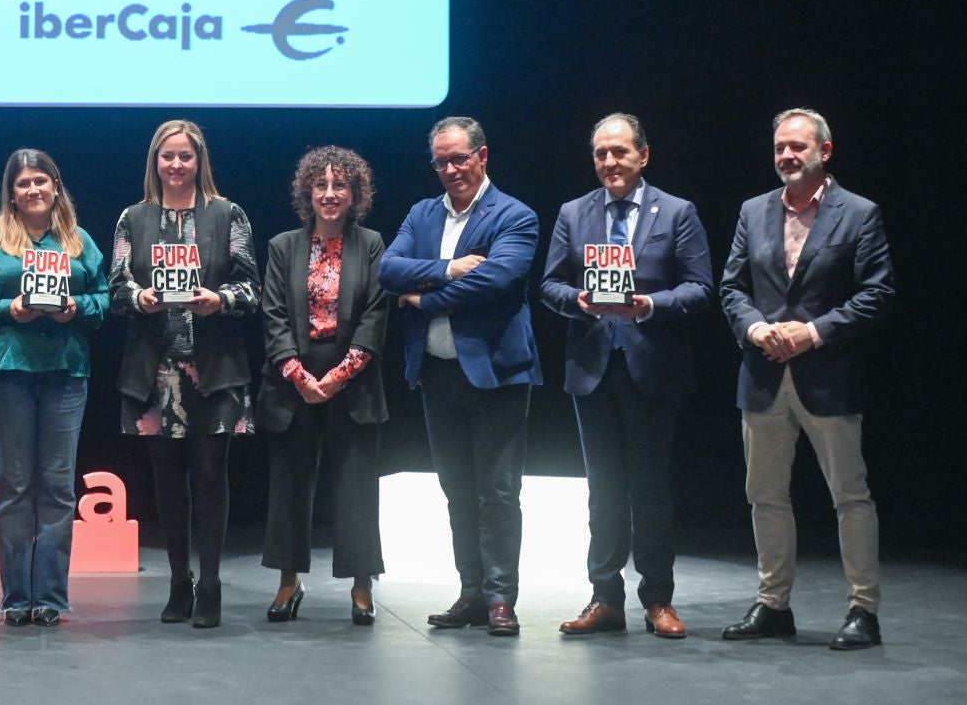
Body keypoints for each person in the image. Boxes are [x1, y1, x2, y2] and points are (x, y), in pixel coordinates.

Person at [719, 109, 893, 651]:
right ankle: (773, 604)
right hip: (764, 374)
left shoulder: (860, 213)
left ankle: (863, 610)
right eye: (780, 148)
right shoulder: (753, 210)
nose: (787, 156)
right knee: (765, 495)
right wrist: (753, 329)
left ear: (825, 151)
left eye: (798, 146)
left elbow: (878, 293)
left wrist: (813, 332)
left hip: (828, 376)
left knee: (850, 496)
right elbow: (732, 287)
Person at [538, 114, 712, 639]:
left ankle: (658, 599)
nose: (610, 163)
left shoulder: (678, 212)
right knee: (602, 491)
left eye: (620, 152)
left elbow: (701, 287)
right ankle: (605, 598)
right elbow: (549, 286)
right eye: (601, 154)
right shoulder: (573, 213)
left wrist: (649, 305)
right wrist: (580, 301)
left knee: (650, 490)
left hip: (652, 371)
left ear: (643, 156)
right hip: (592, 370)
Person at [378, 115, 541, 637]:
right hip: (437, 375)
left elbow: (496, 279)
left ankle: (500, 598)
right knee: (455, 490)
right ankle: (471, 593)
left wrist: (423, 298)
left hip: (496, 376)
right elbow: (387, 269)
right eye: (441, 161)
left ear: (482, 156)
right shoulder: (422, 213)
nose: (450, 169)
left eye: (459, 158)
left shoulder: (515, 215)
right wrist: (448, 268)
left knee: (498, 491)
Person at [109, 119, 259, 629]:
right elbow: (116, 289)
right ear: (155, 162)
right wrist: (139, 298)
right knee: (167, 483)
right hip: (154, 374)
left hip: (214, 371)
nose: (176, 165)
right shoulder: (133, 218)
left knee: (212, 477)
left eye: (185, 156)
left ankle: (211, 584)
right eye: (167, 156)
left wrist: (221, 300)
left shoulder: (227, 214)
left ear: (200, 161)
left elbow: (252, 288)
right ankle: (178, 582)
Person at [0, 149, 110, 626]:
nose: (33, 190)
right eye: (23, 183)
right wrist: (8, 310)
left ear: (56, 185)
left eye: (40, 181)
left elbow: (104, 297)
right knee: (14, 487)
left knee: (56, 487)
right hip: (7, 371)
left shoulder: (79, 242)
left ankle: (50, 597)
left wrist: (79, 308)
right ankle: (15, 597)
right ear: (11, 192)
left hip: (66, 372)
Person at [258, 146, 389, 627]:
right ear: (307, 192)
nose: (330, 194)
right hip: (293, 383)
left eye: (340, 186)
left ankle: (361, 586)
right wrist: (298, 375)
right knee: (290, 486)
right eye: (321, 185)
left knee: (356, 488)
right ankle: (289, 582)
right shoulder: (283, 246)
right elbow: (272, 315)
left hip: (351, 381)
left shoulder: (372, 243)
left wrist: (336, 377)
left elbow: (376, 315)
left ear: (355, 194)